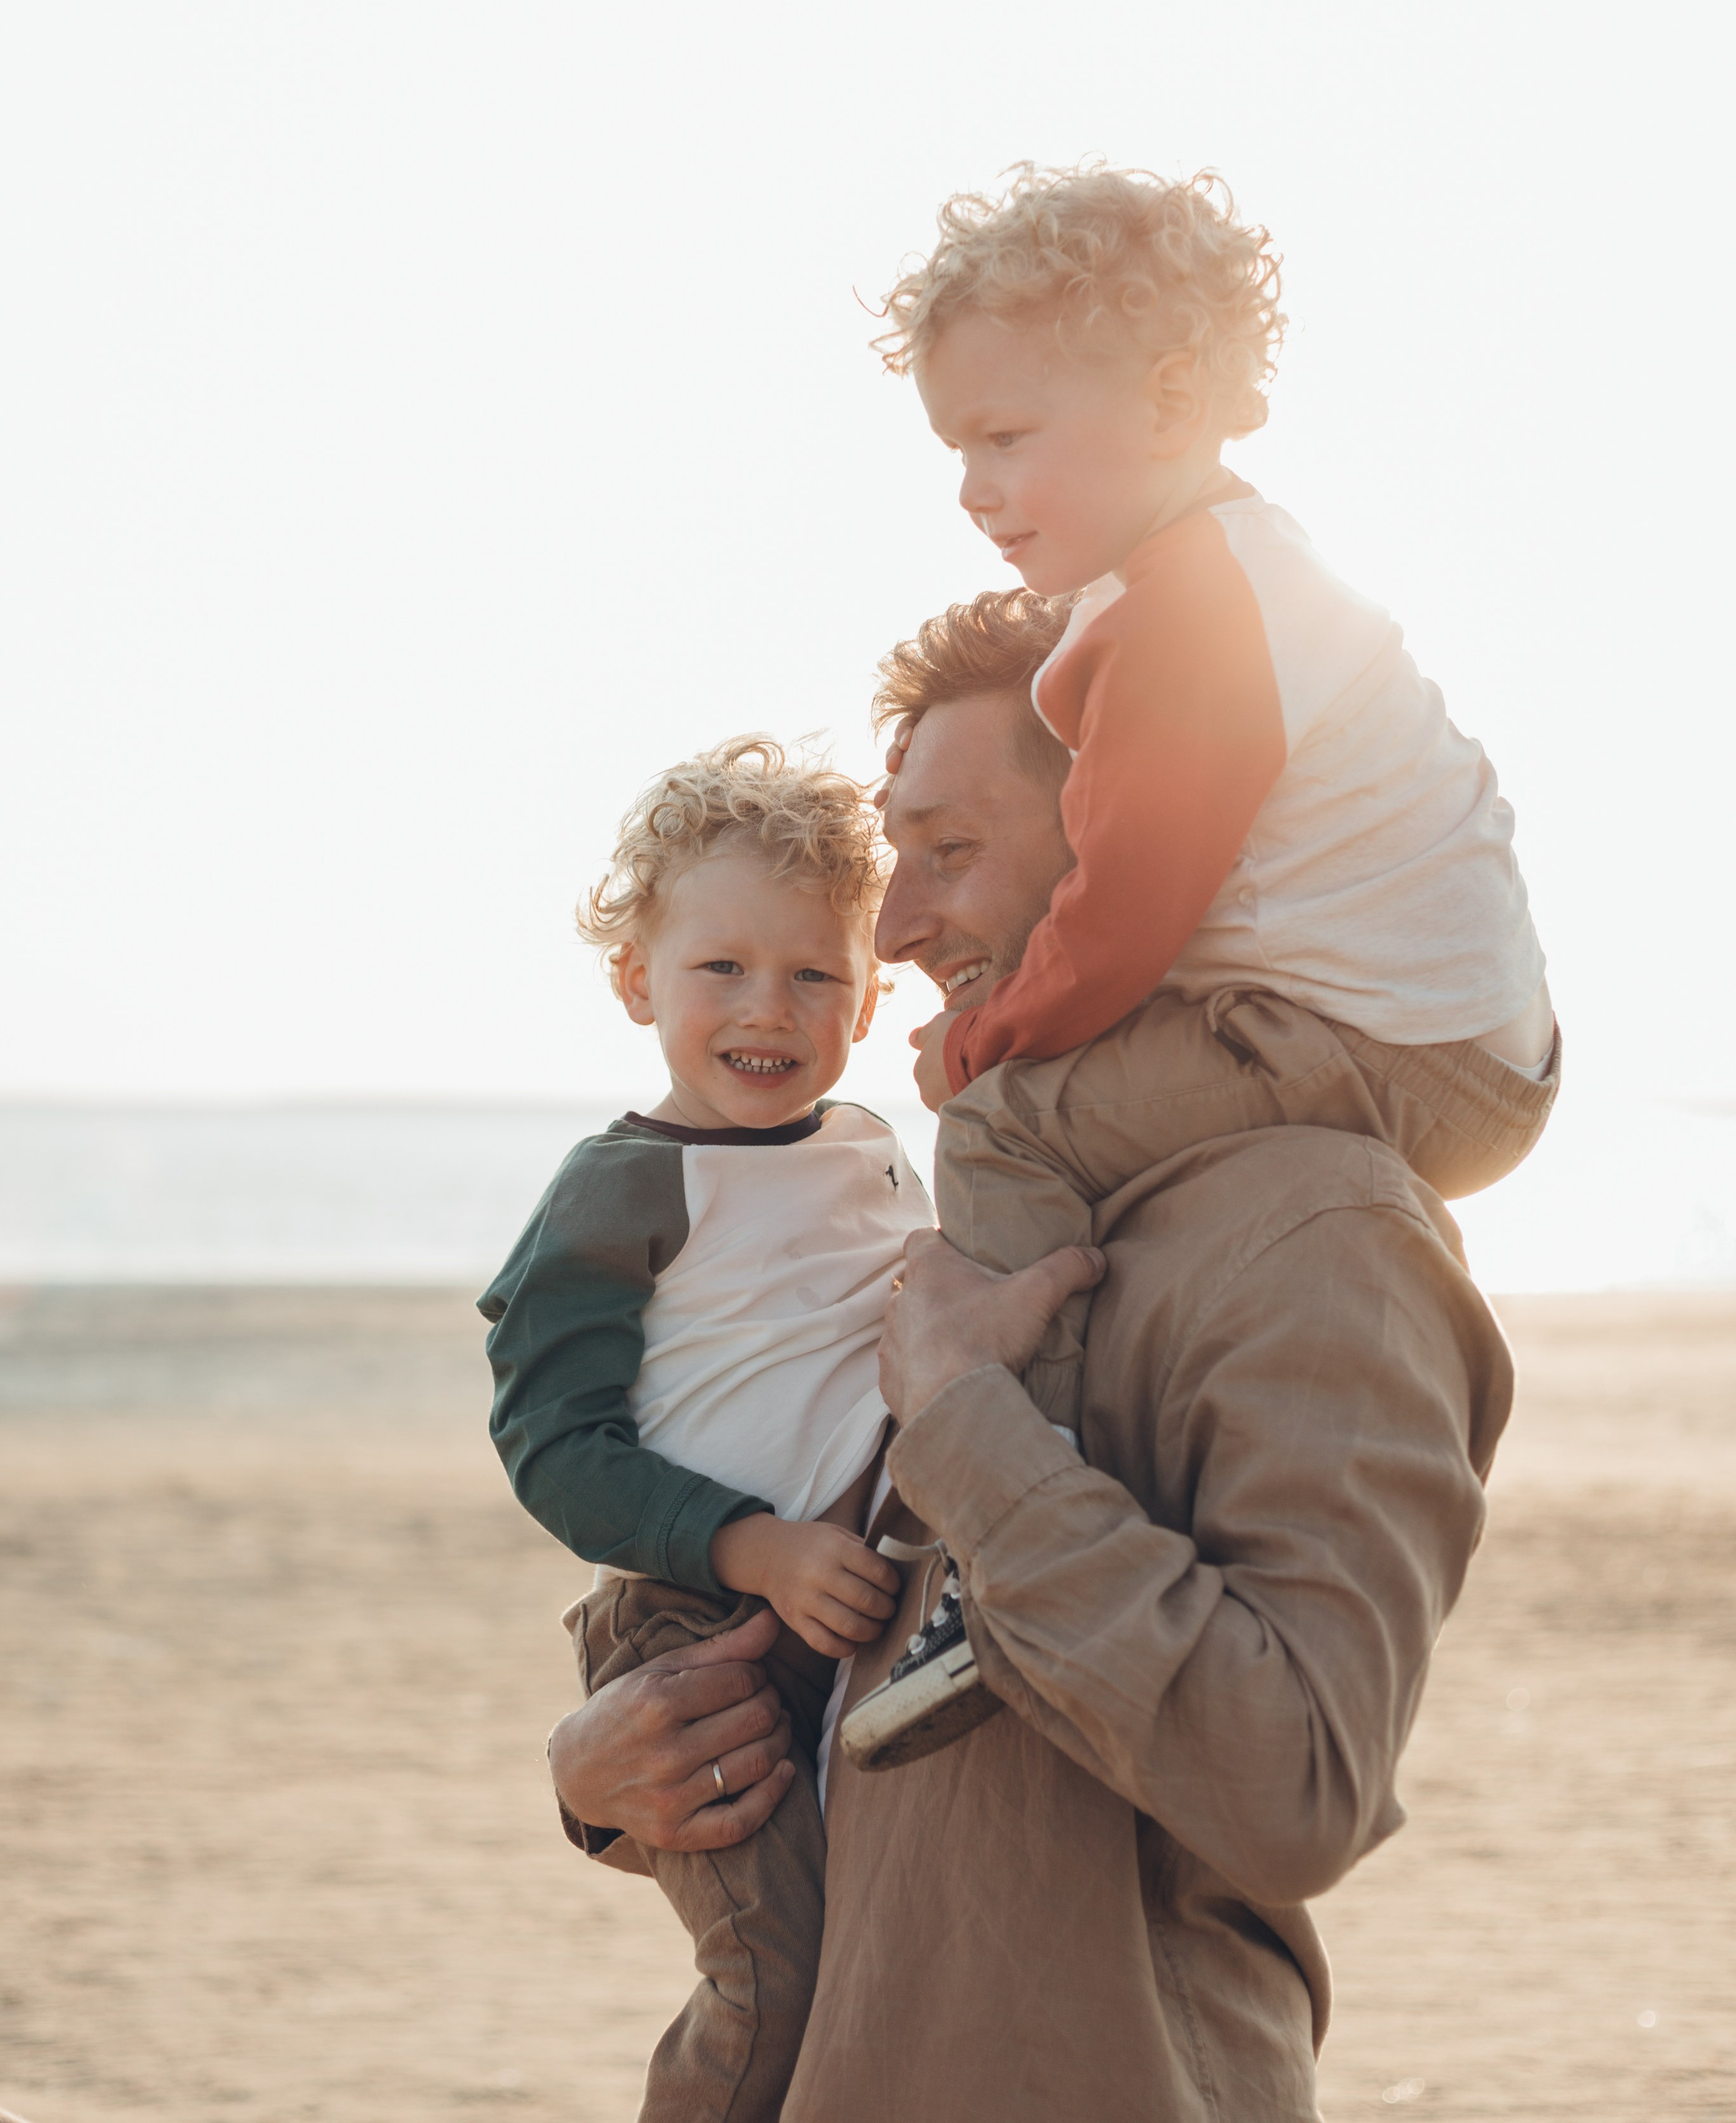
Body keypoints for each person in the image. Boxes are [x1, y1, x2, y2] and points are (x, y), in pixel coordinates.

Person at [547, 594, 1520, 2122]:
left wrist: (960, 1422)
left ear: (1128, 849)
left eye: (948, 853)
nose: (891, 930)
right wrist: (604, 1775)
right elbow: (833, 1663)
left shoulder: (1322, 1230)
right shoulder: (964, 1226)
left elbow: (1294, 1789)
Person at [842, 162, 1557, 1764]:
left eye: (1004, 438)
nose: (972, 485)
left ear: (1170, 400)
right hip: (1446, 1033)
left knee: (1011, 1121)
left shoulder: (1192, 612)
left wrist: (982, 1044)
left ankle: (996, 1515)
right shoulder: (1224, 577)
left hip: (1387, 1043)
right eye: (956, 449)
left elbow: (1121, 916)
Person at [478, 737, 930, 2123]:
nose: (768, 1008)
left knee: (874, 1971)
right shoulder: (619, 1189)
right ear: (636, 980)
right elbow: (554, 1447)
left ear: (865, 998)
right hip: (698, 1625)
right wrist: (748, 1550)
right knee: (772, 1974)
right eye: (719, 967)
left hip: (853, 1601)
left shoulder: (866, 1141)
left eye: (814, 975)